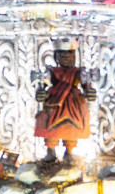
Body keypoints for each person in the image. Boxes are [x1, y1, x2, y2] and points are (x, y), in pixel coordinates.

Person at [34, 38, 96, 166]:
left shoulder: (79, 72)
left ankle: (69, 152)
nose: (66, 56)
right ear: (56, 56)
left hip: (73, 104)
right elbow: (42, 83)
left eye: (69, 53)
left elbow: (86, 85)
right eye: (62, 53)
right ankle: (50, 152)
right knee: (50, 125)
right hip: (54, 102)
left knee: (71, 128)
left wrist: (89, 92)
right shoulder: (51, 71)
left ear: (74, 55)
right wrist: (41, 93)